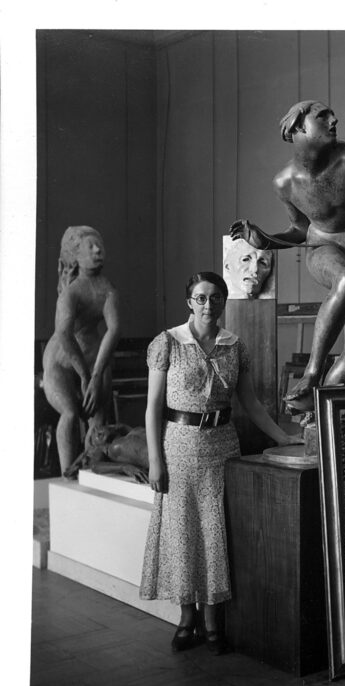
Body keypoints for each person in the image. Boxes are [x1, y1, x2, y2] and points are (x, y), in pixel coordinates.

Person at [140, 271, 300, 654]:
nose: (207, 305)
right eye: (200, 298)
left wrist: (283, 438)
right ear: (189, 302)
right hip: (177, 445)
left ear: (224, 302)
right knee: (182, 531)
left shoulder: (234, 346)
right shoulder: (167, 343)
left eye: (214, 298)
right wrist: (155, 461)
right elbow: (152, 408)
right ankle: (186, 617)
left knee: (214, 530)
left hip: (221, 445)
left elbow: (251, 403)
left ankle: (213, 620)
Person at [229, 100, 345, 412]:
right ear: (299, 127)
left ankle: (320, 411)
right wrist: (266, 240)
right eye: (323, 116)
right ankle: (312, 373)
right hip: (324, 252)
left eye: (331, 115)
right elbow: (299, 230)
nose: (334, 120)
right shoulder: (285, 182)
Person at [42, 226, 121, 476]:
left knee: (98, 418)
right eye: (90, 246)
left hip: (95, 359)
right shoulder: (71, 293)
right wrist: (86, 375)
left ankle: (93, 473)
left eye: (100, 245)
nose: (98, 250)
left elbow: (114, 331)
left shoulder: (108, 291)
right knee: (70, 411)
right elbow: (64, 334)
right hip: (61, 363)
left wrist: (96, 376)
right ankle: (67, 474)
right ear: (76, 256)